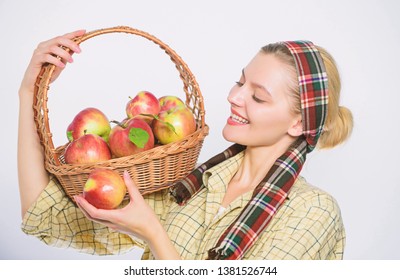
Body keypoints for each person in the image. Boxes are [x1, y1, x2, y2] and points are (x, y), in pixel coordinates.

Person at [18, 30, 353, 260]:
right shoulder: (190, 189)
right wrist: (29, 93)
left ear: (298, 122)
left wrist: (153, 233)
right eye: (240, 81)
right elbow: (46, 215)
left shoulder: (312, 213)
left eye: (258, 96)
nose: (234, 97)